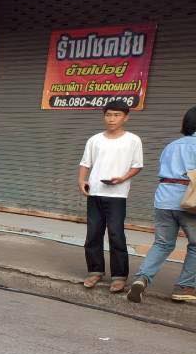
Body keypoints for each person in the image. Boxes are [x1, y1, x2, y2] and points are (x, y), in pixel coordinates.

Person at [128, 106, 196, 304]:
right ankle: (185, 287)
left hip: (164, 199)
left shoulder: (172, 145)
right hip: (190, 201)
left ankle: (141, 279)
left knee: (162, 243)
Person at [78, 100, 144, 293]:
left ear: (126, 117)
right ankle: (95, 271)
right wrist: (81, 181)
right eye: (108, 115)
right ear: (104, 116)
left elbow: (137, 165)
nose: (112, 119)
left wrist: (123, 178)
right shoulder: (95, 140)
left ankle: (119, 276)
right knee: (93, 234)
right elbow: (85, 163)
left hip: (117, 195)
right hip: (95, 192)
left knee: (116, 234)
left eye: (116, 115)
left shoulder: (133, 140)